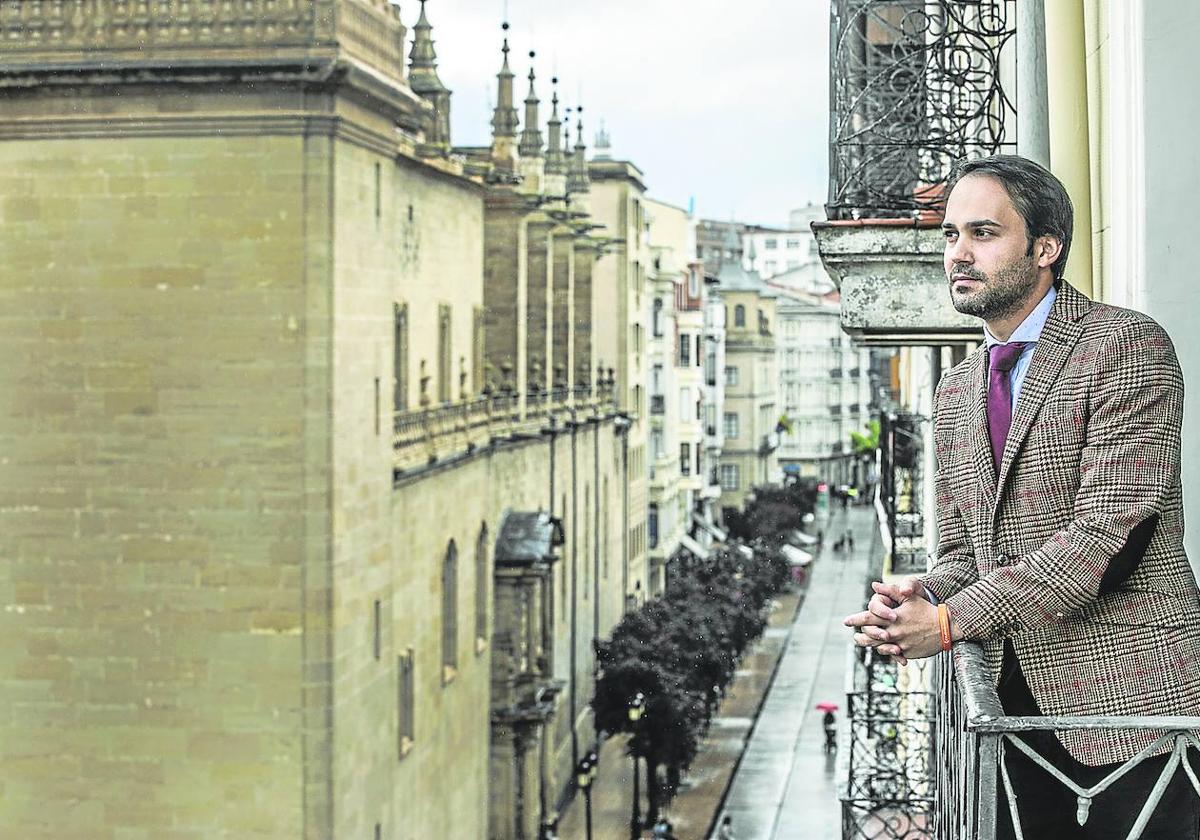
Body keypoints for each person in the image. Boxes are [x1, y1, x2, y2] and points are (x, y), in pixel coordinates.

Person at [843, 154, 1200, 839]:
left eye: (982, 233)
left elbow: (1108, 538)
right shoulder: (955, 392)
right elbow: (963, 552)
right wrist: (921, 598)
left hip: (1131, 707)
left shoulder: (1125, 345)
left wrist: (947, 625)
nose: (959, 254)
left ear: (1045, 248)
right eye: (950, 235)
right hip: (1010, 715)